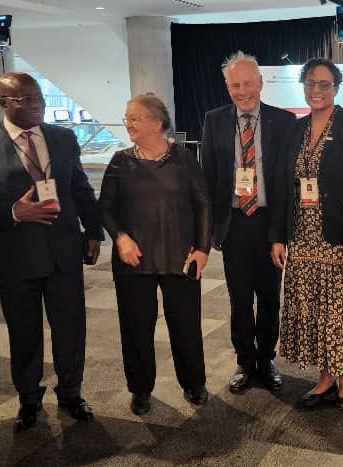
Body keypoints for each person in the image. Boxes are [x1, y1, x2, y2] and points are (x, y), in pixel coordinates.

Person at [0, 72, 104, 431]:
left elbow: (80, 187)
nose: (35, 104)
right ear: (3, 103)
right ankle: (28, 398)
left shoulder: (62, 137)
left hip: (64, 250)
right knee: (24, 333)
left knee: (70, 328)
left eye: (37, 97)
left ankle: (71, 392)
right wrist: (12, 211)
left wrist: (94, 231)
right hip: (17, 256)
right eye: (24, 99)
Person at [270, 57, 343, 410]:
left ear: (337, 87)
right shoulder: (294, 130)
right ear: (303, 85)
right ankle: (325, 377)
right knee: (314, 309)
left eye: (325, 84)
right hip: (301, 237)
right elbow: (284, 187)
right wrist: (278, 236)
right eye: (311, 83)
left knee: (341, 310)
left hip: (338, 237)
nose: (317, 90)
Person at [99, 93, 212, 413]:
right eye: (128, 118)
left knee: (186, 323)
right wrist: (120, 238)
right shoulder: (120, 161)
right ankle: (140, 389)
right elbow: (105, 208)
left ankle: (194, 383)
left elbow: (204, 203)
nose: (129, 124)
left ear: (157, 123)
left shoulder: (184, 158)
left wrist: (203, 249)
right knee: (136, 327)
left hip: (182, 257)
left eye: (135, 118)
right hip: (133, 261)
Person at [200, 51, 296, 395]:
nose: (243, 91)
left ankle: (266, 358)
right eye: (235, 85)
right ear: (228, 89)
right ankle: (245, 360)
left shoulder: (283, 122)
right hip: (235, 223)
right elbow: (208, 176)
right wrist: (211, 228)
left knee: (270, 296)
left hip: (269, 223)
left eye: (248, 83)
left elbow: (287, 183)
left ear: (260, 83)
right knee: (239, 297)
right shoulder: (214, 120)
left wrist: (281, 233)